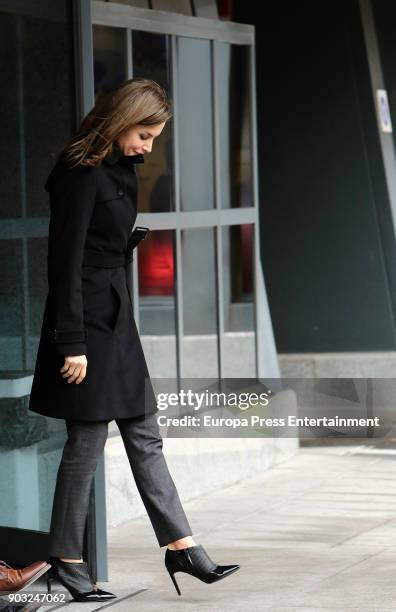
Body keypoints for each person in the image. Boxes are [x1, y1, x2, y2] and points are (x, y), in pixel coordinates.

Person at [28, 77, 240, 602]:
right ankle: (68, 560)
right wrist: (69, 341)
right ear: (122, 120)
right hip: (87, 327)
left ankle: (181, 545)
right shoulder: (80, 176)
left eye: (154, 138)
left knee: (145, 433)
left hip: (117, 320)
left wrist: (125, 244)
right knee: (87, 442)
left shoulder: (119, 171)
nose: (148, 147)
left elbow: (102, 247)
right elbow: (65, 263)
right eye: (144, 135)